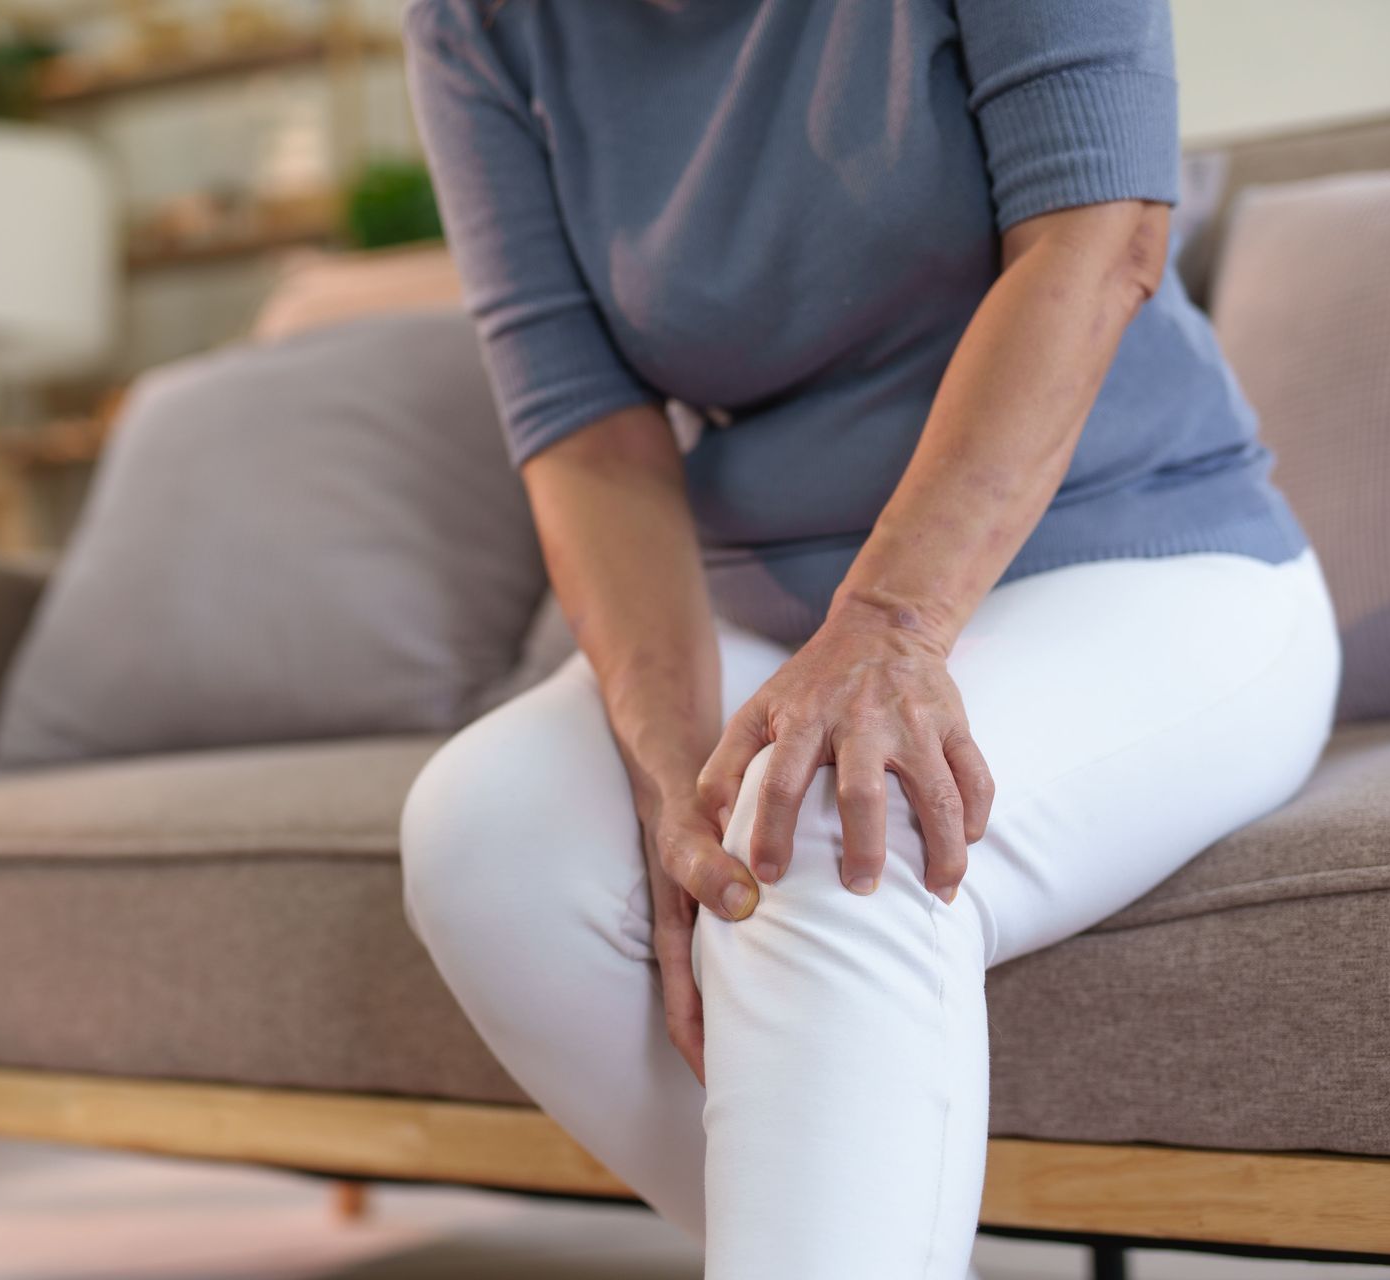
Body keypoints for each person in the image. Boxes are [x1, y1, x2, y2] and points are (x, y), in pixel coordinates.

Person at [394, 0, 1342, 1275]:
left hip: (1139, 558)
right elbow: (582, 425)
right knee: (485, 836)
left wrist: (890, 629)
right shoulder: (478, 21)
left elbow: (1095, 238)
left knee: (843, 819)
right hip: (766, 606)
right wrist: (669, 772)